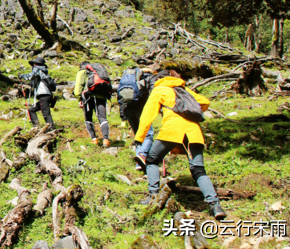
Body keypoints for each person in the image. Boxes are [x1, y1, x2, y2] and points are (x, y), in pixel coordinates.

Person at [134, 70, 226, 220]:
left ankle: (153, 198)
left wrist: (140, 137)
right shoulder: (184, 90)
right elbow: (205, 102)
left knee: (151, 160)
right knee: (198, 170)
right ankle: (215, 205)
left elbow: (147, 115)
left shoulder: (159, 90)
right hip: (194, 133)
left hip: (171, 131)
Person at [118, 67, 158, 171]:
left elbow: (121, 98)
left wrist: (123, 115)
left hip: (129, 108)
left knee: (138, 136)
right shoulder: (151, 77)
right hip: (142, 108)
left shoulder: (129, 77)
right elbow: (154, 94)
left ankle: (139, 163)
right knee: (148, 134)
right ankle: (142, 154)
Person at [74, 61, 113, 147]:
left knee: (88, 118)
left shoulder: (82, 72)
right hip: (101, 95)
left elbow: (78, 89)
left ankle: (94, 139)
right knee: (102, 118)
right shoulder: (98, 72)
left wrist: (79, 98)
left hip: (88, 97)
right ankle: (106, 139)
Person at [18, 57, 55, 128]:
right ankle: (36, 126)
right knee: (31, 110)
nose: (33, 66)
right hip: (47, 95)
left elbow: (30, 76)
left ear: (36, 64)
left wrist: (22, 76)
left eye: (33, 64)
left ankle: (51, 128)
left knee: (46, 113)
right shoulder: (43, 71)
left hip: (44, 94)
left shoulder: (37, 68)